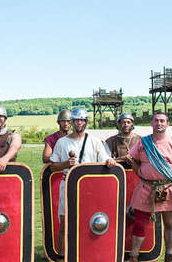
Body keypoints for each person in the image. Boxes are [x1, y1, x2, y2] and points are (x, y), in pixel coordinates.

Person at [49, 107, 116, 256]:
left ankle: (87, 254)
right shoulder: (62, 142)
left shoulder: (95, 142)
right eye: (77, 120)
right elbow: (53, 167)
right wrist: (66, 164)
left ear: (86, 122)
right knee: (65, 224)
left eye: (82, 120)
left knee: (89, 222)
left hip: (90, 189)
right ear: (72, 122)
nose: (79, 123)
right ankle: (62, 257)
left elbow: (105, 161)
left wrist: (110, 162)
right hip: (67, 186)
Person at [128, 112, 172, 262]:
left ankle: (169, 255)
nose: (159, 123)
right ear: (151, 123)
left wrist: (171, 181)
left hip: (167, 189)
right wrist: (145, 177)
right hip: (146, 188)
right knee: (140, 222)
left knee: (169, 223)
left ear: (167, 124)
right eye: (156, 120)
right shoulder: (143, 142)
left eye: (162, 121)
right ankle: (134, 255)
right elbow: (134, 162)